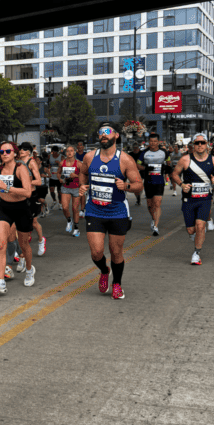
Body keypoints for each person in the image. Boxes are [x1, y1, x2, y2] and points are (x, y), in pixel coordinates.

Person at [77, 123, 143, 300]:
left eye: (107, 132)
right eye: (101, 132)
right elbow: (83, 173)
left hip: (117, 212)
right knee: (96, 252)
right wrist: (82, 185)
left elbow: (139, 185)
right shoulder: (90, 157)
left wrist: (126, 186)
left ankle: (117, 284)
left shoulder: (125, 160)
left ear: (116, 135)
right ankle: (104, 271)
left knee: (116, 252)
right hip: (94, 210)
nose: (103, 135)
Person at [0, 141, 35, 294]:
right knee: (0, 244)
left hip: (21, 208)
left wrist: (7, 188)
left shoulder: (21, 169)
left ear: (15, 153)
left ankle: (29, 270)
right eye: (2, 152)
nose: (4, 154)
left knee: (24, 245)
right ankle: (0, 282)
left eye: (8, 151)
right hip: (4, 208)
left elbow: (27, 192)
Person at [171, 133, 214, 265]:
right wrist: (182, 184)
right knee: (191, 230)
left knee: (200, 226)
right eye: (197, 143)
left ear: (207, 144)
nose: (200, 145)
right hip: (189, 199)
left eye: (202, 143)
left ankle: (196, 253)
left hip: (205, 199)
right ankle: (197, 237)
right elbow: (175, 174)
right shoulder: (185, 159)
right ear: (193, 145)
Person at [137, 132, 169, 236]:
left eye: (155, 141)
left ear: (158, 142)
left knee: (157, 204)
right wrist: (146, 168)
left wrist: (166, 169)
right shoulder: (144, 153)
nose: (153, 143)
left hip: (159, 181)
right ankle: (153, 218)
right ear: (148, 142)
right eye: (151, 141)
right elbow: (137, 165)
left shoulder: (164, 152)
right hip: (148, 181)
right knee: (150, 206)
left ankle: (155, 226)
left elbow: (169, 163)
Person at [19, 143, 47, 255]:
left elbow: (39, 181)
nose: (21, 151)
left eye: (24, 149)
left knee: (34, 222)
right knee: (19, 221)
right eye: (21, 149)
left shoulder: (31, 162)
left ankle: (41, 240)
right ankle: (21, 247)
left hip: (31, 195)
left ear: (29, 152)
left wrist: (26, 182)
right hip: (20, 195)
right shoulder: (17, 162)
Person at [59, 145, 82, 236]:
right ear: (65, 152)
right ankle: (69, 220)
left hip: (76, 188)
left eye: (71, 151)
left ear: (74, 152)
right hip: (65, 187)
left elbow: (84, 176)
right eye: (67, 151)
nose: (69, 152)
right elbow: (58, 173)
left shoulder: (78, 163)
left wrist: (76, 176)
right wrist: (60, 178)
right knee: (64, 207)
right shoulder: (62, 163)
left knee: (75, 209)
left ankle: (76, 229)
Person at [46, 145, 62, 211]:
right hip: (52, 176)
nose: (54, 153)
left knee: (59, 192)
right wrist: (48, 171)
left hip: (59, 176)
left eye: (55, 152)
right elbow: (48, 165)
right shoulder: (49, 156)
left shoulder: (61, 157)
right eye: (53, 152)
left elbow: (64, 165)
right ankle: (54, 200)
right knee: (51, 190)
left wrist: (59, 163)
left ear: (57, 151)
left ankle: (60, 203)